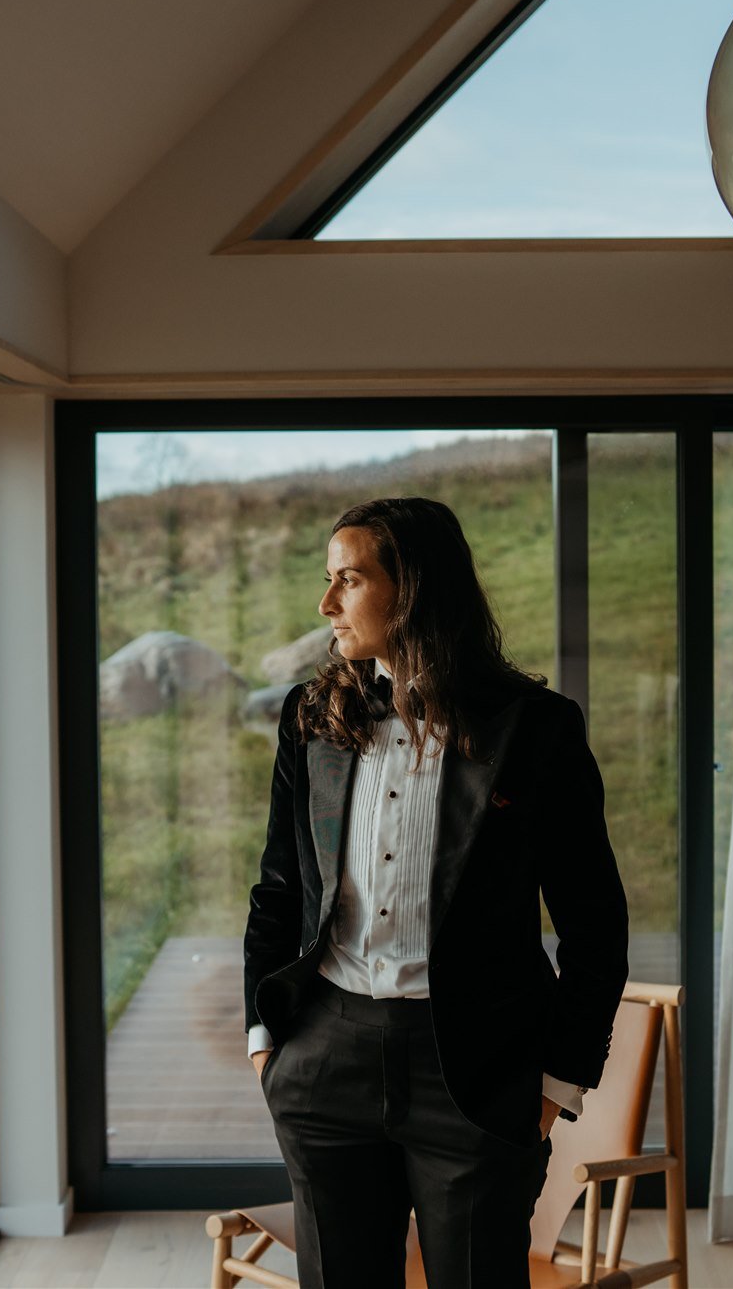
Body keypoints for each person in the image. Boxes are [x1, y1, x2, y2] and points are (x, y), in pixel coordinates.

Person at [242, 496, 629, 1289]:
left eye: (347, 580)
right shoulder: (309, 718)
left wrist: (556, 1086)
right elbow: (279, 888)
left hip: (477, 1073)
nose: (326, 604)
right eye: (327, 580)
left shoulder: (537, 730)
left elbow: (595, 924)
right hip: (325, 1057)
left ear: (412, 587)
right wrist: (265, 1041)